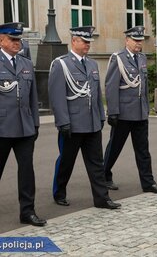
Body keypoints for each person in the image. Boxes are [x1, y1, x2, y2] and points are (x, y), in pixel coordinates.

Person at [48, 26, 121, 209]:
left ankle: (101, 198)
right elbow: (57, 96)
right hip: (72, 124)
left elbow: (96, 94)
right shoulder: (61, 64)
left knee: (96, 163)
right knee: (66, 161)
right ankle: (59, 192)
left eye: (89, 42)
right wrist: (63, 122)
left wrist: (100, 115)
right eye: (84, 41)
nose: (88, 45)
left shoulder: (92, 64)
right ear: (74, 41)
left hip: (92, 123)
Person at [103, 26, 157, 194]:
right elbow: (111, 87)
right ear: (127, 40)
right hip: (123, 114)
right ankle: (104, 175)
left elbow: (144, 87)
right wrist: (113, 112)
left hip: (139, 113)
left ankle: (148, 182)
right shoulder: (118, 58)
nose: (139, 43)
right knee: (114, 147)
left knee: (143, 150)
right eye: (136, 40)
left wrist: (146, 107)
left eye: (141, 40)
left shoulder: (142, 58)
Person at [0, 22, 46, 226]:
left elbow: (33, 96)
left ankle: (27, 211)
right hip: (1, 127)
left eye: (19, 39)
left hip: (25, 127)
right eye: (13, 39)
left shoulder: (26, 63)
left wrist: (35, 124)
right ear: (1, 40)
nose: (17, 43)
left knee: (27, 171)